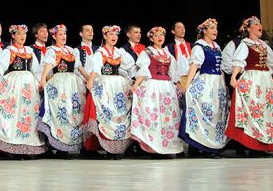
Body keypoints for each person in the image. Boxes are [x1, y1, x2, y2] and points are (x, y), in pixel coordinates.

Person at [226, 16, 273, 156]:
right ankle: (254, 147)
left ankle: (263, 146)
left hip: (265, 80)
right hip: (252, 80)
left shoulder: (263, 45)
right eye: (256, 24)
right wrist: (234, 77)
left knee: (266, 112)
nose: (260, 26)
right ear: (249, 29)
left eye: (260, 24)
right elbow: (239, 62)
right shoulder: (245, 44)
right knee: (255, 111)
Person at [0, 24, 48, 158]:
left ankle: (26, 148)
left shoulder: (29, 51)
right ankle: (15, 148)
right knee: (15, 115)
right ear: (13, 36)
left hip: (29, 86)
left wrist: (40, 82)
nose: (22, 36)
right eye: (19, 34)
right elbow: (0, 68)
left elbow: (36, 71)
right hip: (15, 84)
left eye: (24, 34)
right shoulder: (9, 51)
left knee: (28, 116)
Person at [130, 26, 187, 156]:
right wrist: (136, 85)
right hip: (153, 87)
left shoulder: (167, 53)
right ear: (151, 38)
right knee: (154, 115)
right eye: (156, 35)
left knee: (168, 116)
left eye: (161, 35)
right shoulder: (147, 52)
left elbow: (173, 73)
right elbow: (143, 70)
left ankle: (167, 146)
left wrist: (180, 87)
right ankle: (154, 146)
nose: (160, 37)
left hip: (167, 88)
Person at [83, 25, 136, 159]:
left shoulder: (119, 52)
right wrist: (90, 81)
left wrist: (136, 80)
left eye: (116, 35)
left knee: (119, 114)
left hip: (118, 86)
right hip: (105, 85)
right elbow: (96, 69)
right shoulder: (100, 52)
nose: (114, 37)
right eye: (111, 34)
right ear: (105, 36)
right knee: (107, 114)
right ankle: (108, 148)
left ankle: (117, 147)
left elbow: (130, 66)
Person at [179, 18, 230, 157]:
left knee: (217, 114)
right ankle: (202, 147)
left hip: (217, 84)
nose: (215, 31)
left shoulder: (216, 47)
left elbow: (221, 69)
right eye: (212, 28)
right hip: (206, 82)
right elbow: (194, 66)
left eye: (216, 28)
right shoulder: (199, 46)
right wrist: (187, 85)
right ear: (204, 31)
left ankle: (210, 145)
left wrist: (224, 87)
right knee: (207, 112)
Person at [37, 24, 85, 156]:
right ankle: (59, 146)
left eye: (64, 34)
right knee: (61, 113)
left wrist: (88, 79)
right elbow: (48, 65)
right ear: (54, 36)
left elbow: (79, 67)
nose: (63, 36)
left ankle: (66, 145)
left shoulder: (71, 50)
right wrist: (43, 79)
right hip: (59, 83)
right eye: (60, 34)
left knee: (73, 113)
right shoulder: (52, 50)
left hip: (73, 84)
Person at [165, 21, 192, 90]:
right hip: (178, 80)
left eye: (183, 28)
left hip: (192, 79)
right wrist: (177, 82)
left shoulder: (191, 46)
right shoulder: (168, 48)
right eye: (179, 28)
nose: (183, 30)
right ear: (173, 31)